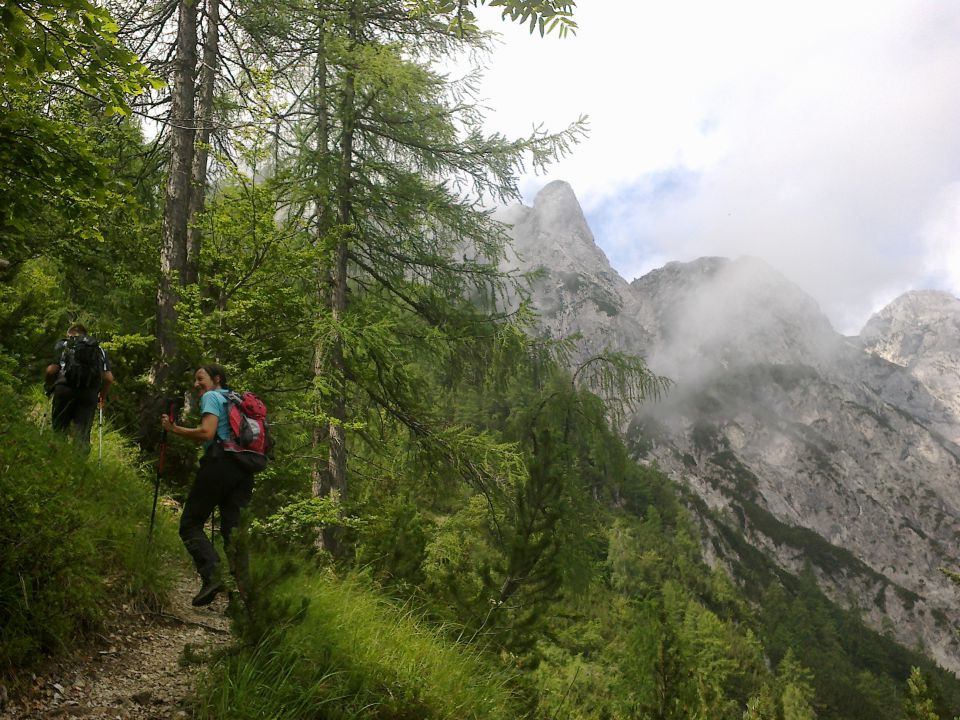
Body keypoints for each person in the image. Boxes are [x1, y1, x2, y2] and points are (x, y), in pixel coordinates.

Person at [161, 363, 253, 607]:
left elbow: (207, 433)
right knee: (233, 533)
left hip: (219, 464)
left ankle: (212, 575)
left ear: (216, 378)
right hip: (243, 469)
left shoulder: (212, 396)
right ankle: (243, 600)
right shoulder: (235, 400)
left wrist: (174, 429)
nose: (196, 384)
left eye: (200, 378)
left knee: (190, 524)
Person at [44, 323, 114, 446]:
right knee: (82, 434)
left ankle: (55, 456)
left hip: (64, 389)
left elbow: (51, 370)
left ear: (69, 334)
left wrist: (49, 385)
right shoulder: (99, 349)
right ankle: (79, 460)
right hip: (88, 393)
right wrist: (101, 396)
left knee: (59, 430)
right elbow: (108, 378)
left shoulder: (63, 345)